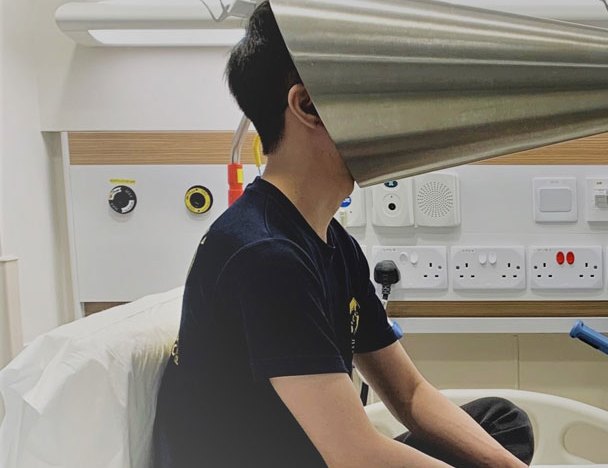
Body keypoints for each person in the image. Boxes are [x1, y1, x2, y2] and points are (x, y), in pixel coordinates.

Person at [150, 3, 533, 467]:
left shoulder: (331, 242)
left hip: (320, 455)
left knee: (501, 424)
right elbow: (356, 455)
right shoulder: (264, 254)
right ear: (307, 105)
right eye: (377, 98)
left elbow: (409, 394)